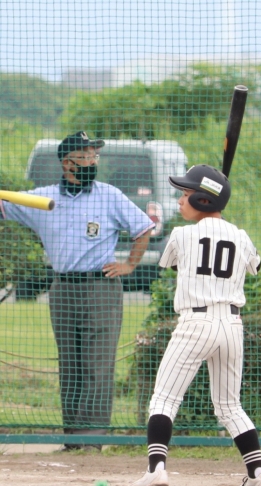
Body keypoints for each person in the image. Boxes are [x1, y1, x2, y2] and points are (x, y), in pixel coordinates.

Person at [0, 131, 153, 451]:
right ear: (67, 163)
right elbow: (4, 205)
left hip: (101, 287)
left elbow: (143, 228)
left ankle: (91, 441)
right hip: (62, 288)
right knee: (70, 364)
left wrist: (129, 264)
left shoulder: (109, 196)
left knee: (98, 364)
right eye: (86, 157)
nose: (93, 162)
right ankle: (72, 439)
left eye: (95, 156)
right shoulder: (42, 200)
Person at [127, 164, 261, 486]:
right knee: (229, 406)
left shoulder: (181, 235)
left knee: (164, 399)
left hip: (196, 323)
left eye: (187, 194)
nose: (181, 200)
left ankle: (156, 469)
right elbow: (257, 265)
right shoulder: (241, 236)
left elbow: (174, 264)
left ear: (204, 200)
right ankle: (259, 474)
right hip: (232, 325)